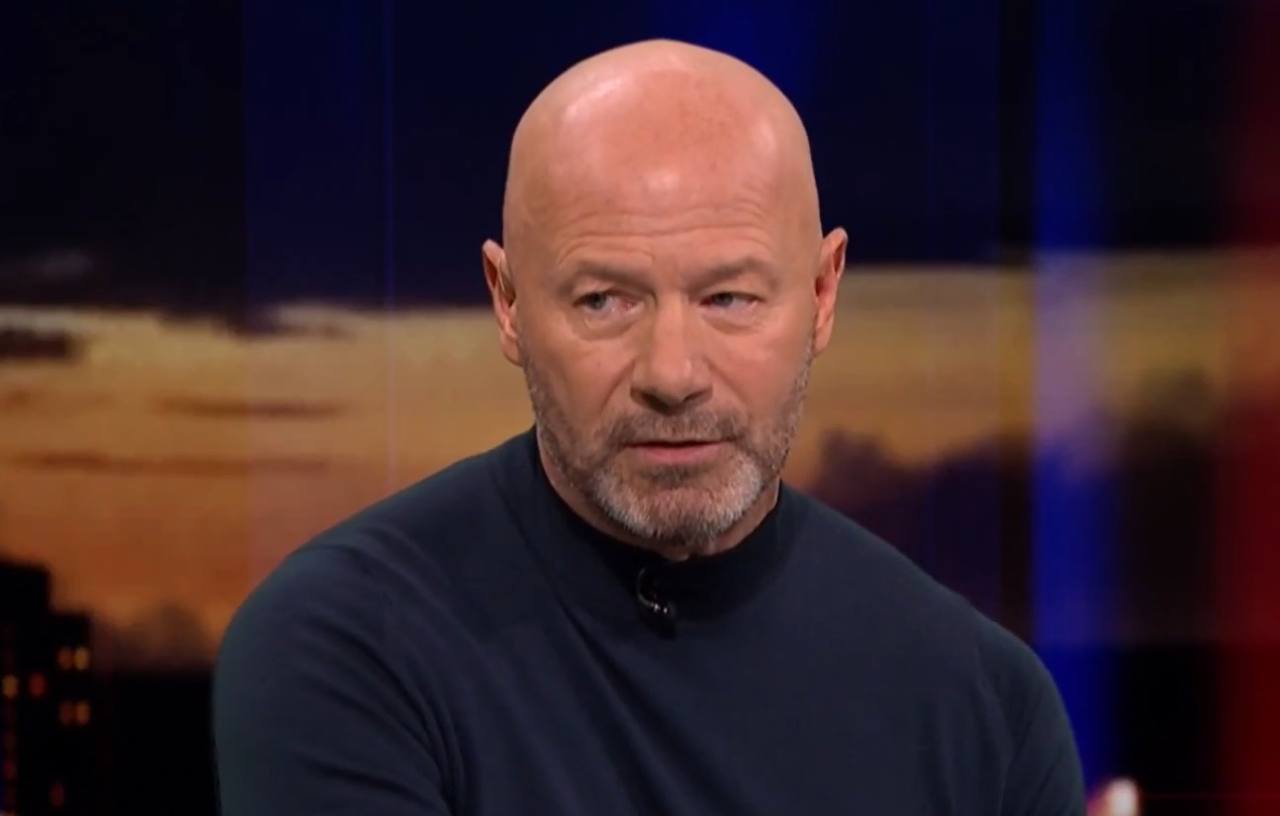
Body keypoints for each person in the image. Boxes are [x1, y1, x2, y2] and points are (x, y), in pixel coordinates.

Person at [213, 39, 1085, 814]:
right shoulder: (345, 647)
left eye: (729, 298)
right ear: (507, 303)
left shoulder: (983, 707)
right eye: (605, 300)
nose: (673, 374)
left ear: (823, 293)